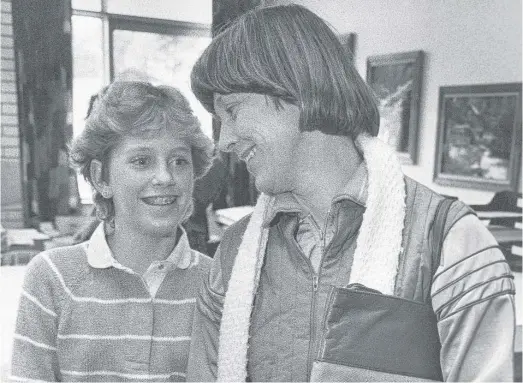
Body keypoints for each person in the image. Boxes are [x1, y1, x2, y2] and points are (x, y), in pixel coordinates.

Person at [186, 4, 516, 382]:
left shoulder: (449, 241)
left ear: (294, 89)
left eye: (232, 110)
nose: (224, 141)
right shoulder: (235, 251)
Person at [11, 81, 214, 382]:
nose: (165, 176)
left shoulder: (216, 282)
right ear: (101, 177)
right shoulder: (53, 279)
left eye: (179, 161)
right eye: (141, 161)